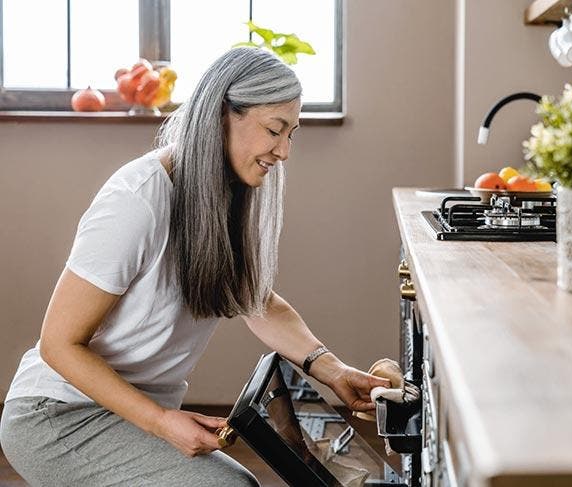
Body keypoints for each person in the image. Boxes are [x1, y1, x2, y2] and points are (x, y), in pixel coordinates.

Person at [0, 47, 390, 486]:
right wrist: (161, 422)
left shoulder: (219, 192)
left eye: (291, 134)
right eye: (273, 130)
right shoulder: (138, 200)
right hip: (57, 417)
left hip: (123, 409)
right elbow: (59, 344)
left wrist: (333, 371)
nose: (283, 152)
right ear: (222, 114)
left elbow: (257, 301)